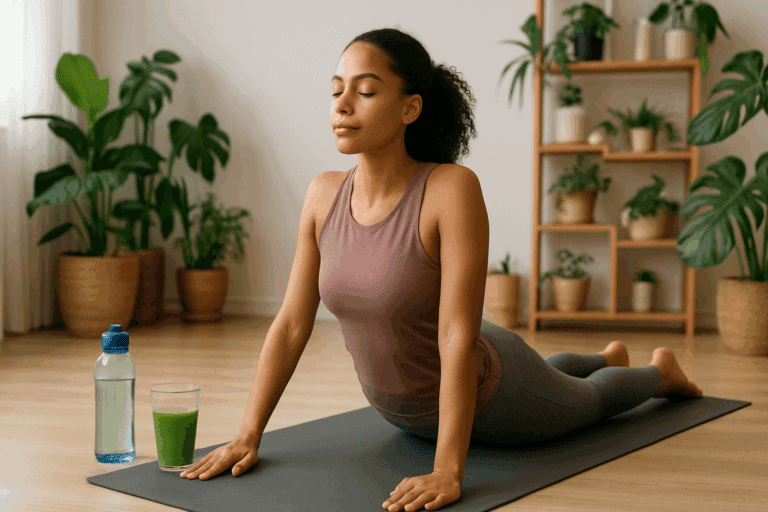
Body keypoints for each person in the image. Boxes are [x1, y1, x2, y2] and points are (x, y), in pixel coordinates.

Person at [180, 26, 703, 511]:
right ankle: (601, 354)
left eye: (364, 91)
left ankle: (659, 373)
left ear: (410, 108)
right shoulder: (323, 194)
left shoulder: (450, 189)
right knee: (557, 376)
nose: (341, 104)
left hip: (489, 389)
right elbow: (292, 323)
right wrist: (248, 433)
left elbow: (456, 334)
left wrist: (447, 472)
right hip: (403, 409)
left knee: (589, 402)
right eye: (336, 88)